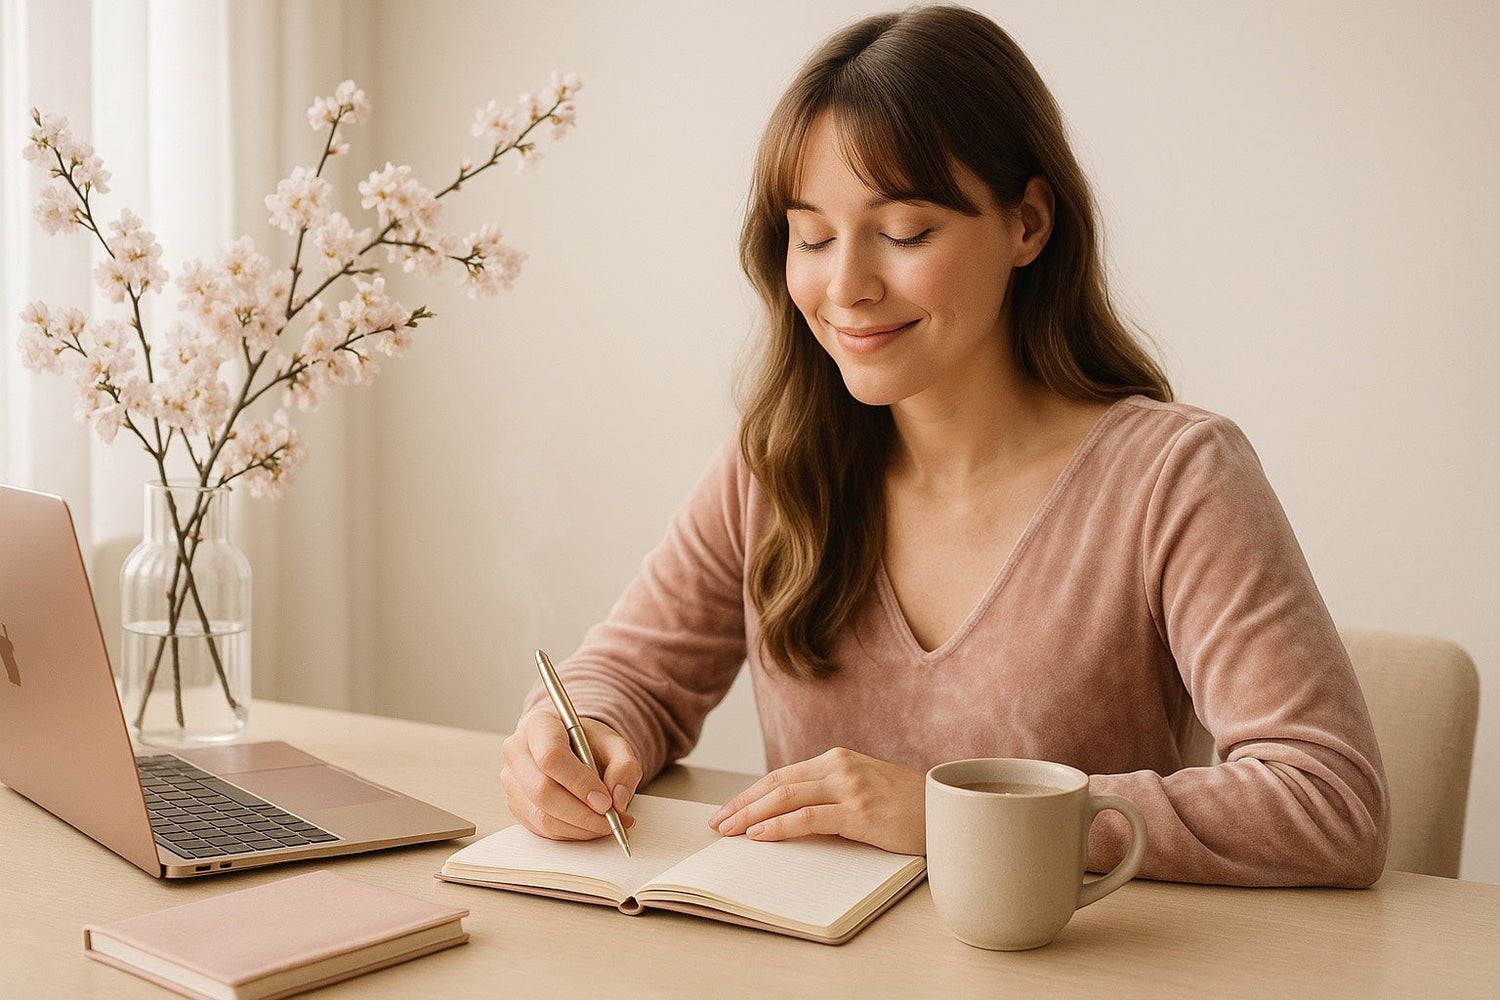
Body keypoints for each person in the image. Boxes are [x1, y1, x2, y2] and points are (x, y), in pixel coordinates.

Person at [501, 4, 1389, 887]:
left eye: (903, 233)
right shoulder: (777, 461)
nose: (844, 285)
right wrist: (576, 736)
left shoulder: (1173, 477)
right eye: (809, 237)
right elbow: (627, 677)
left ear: (1028, 224)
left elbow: (1327, 802)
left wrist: (955, 813)